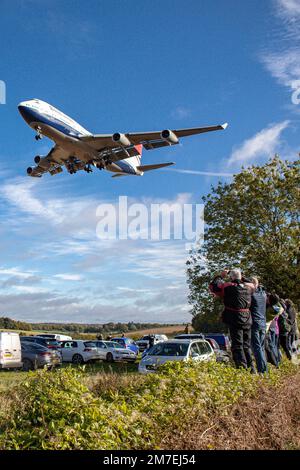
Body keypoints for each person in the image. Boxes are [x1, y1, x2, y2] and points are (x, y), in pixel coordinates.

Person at [209, 268, 255, 371]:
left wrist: (221, 275)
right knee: (246, 345)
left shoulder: (228, 286)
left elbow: (214, 287)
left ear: (231, 278)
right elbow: (251, 283)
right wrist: (239, 276)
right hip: (247, 318)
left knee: (237, 345)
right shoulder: (249, 287)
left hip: (235, 318)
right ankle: (252, 368)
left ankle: (242, 369)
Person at [250, 277, 268, 373]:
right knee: (261, 348)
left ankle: (261, 371)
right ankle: (265, 369)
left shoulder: (253, 295)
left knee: (256, 348)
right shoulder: (263, 294)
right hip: (263, 323)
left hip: (255, 323)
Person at [265, 294, 283, 367]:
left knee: (271, 346)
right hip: (274, 327)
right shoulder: (277, 309)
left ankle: (275, 362)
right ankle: (277, 361)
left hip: (269, 328)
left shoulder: (268, 310)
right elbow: (282, 308)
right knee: (274, 346)